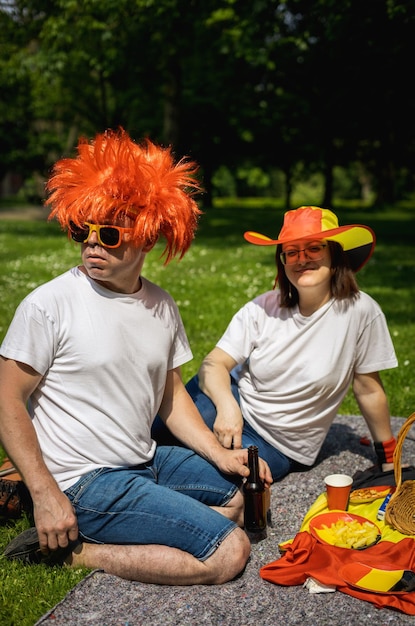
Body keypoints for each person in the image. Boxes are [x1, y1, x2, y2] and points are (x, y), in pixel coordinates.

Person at [0, 128, 272, 585]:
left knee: (249, 494)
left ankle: (148, 518)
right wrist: (46, 493)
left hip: (144, 459)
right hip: (84, 480)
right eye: (80, 230)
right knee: (229, 551)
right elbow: (7, 401)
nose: (92, 244)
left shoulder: (160, 304)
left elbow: (169, 395)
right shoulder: (48, 305)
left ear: (147, 240)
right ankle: (79, 554)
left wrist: (216, 453)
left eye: (108, 233)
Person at [178, 205, 398, 481]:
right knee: (153, 434)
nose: (301, 259)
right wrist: (227, 407)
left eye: (314, 248)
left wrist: (388, 456)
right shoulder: (263, 307)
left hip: (280, 446)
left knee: (205, 475)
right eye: (291, 252)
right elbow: (213, 364)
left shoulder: (361, 312)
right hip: (232, 401)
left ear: (335, 253)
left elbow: (368, 388)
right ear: (282, 261)